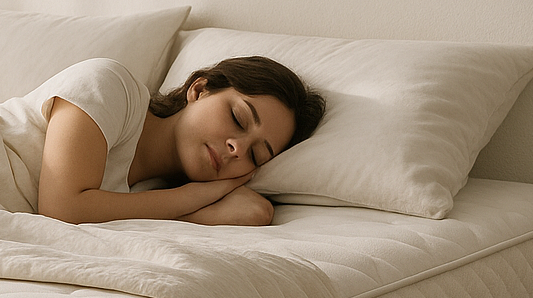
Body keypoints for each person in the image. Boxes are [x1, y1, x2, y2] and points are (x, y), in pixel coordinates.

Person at [34, 55, 324, 226]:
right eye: (238, 118)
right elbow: (61, 210)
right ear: (199, 89)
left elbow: (255, 211)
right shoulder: (110, 86)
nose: (238, 149)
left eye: (256, 156)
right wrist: (196, 196)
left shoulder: (153, 192)